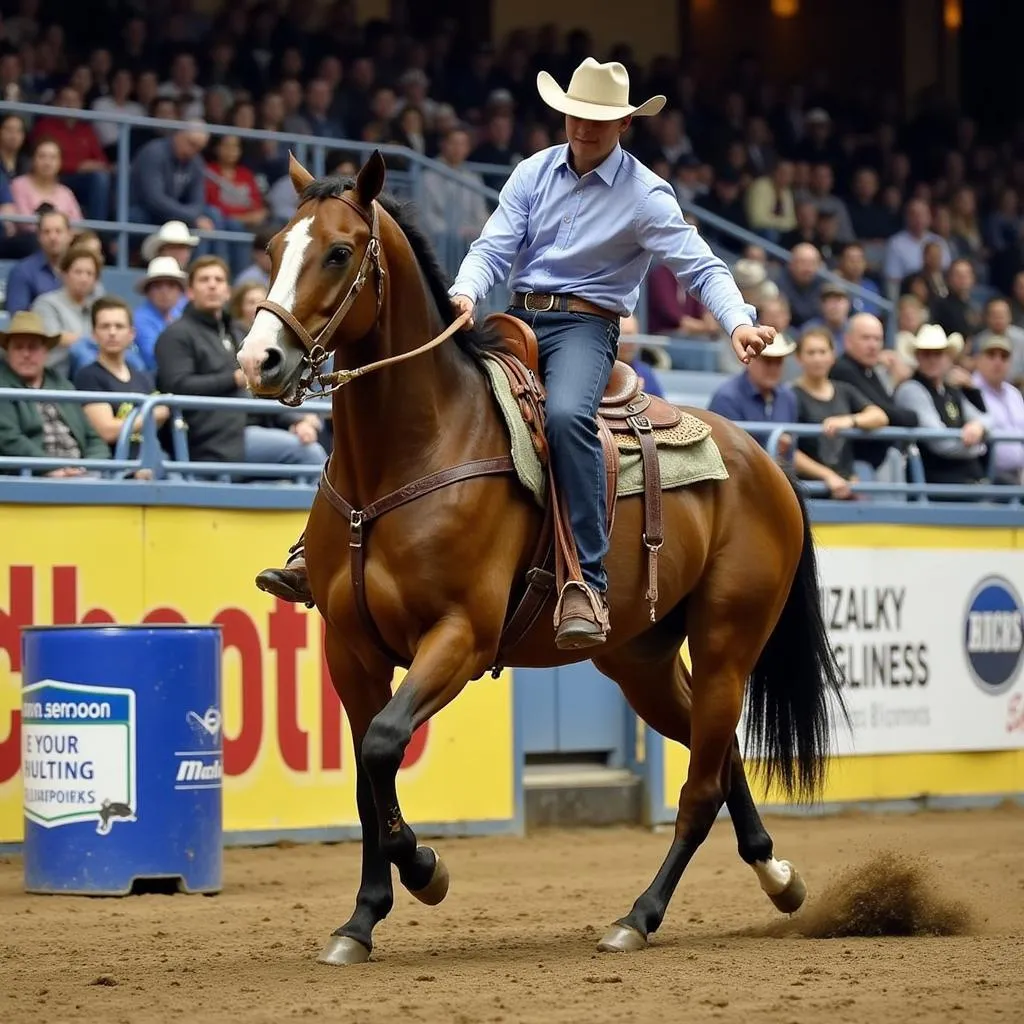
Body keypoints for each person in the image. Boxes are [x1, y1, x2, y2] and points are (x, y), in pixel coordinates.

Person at [254, 58, 774, 648]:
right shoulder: (534, 171)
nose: (583, 129)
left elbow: (698, 265)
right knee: (407, 395)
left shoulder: (646, 195)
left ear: (626, 125)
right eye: (576, 116)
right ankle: (315, 547)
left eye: (599, 121)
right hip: (516, 317)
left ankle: (586, 580)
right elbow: (493, 245)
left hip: (585, 328)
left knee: (566, 417)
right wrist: (467, 290)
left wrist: (737, 322)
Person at [0, 311, 109, 475]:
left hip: (80, 474)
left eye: (33, 347)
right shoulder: (3, 387)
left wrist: (88, 467)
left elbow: (93, 438)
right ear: (8, 352)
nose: (26, 354)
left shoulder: (63, 386)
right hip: (31, 479)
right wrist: (49, 468)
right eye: (18, 347)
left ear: (46, 352)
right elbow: (9, 439)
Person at [790, 327, 888, 499]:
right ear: (799, 358)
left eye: (822, 352)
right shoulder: (790, 395)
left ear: (832, 356)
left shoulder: (844, 390)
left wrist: (850, 420)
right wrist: (827, 476)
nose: (817, 358)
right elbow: (788, 449)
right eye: (811, 352)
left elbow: (880, 416)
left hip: (847, 488)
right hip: (808, 491)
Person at [895, 324, 992, 493]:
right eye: (926, 354)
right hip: (937, 483)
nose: (932, 359)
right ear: (917, 357)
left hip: (965, 480)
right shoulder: (911, 390)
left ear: (947, 357)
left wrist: (978, 427)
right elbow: (942, 444)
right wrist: (980, 446)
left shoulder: (951, 390)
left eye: (938, 354)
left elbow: (988, 419)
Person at [970, 335, 1024, 486]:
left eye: (1004, 356)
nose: (998, 361)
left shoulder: (1014, 394)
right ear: (978, 359)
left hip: (1019, 473)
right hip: (988, 475)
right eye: (991, 355)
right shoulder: (971, 389)